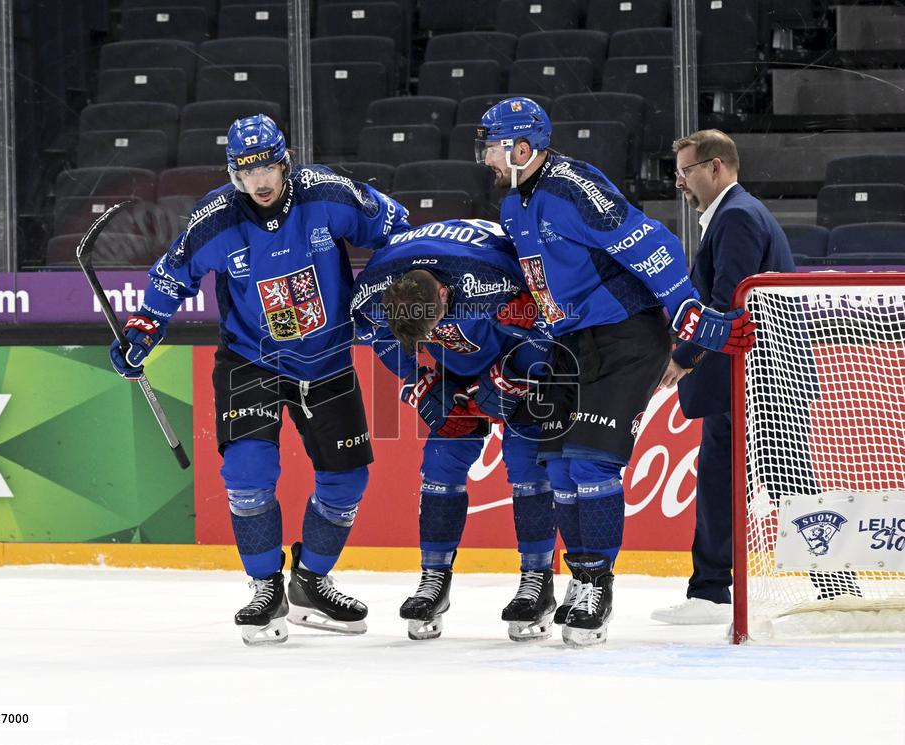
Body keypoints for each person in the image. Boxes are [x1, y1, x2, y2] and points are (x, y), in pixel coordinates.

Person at [109, 114, 409, 645]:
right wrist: (142, 328)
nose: (261, 181)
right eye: (248, 172)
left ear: (285, 161)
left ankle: (311, 584)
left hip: (329, 357)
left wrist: (387, 293)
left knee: (347, 481)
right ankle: (265, 586)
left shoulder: (329, 196)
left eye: (269, 166)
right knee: (248, 474)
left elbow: (399, 231)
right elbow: (169, 275)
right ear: (234, 174)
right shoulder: (215, 219)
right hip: (253, 360)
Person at [475, 98, 756, 647]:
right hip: (570, 343)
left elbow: (652, 242)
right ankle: (578, 578)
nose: (484, 157)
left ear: (522, 147)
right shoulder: (513, 204)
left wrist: (688, 312)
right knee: (557, 470)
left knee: (590, 467)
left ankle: (596, 587)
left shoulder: (572, 186)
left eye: (491, 145)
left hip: (626, 335)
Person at [650, 129, 857, 624]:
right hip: (752, 375)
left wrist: (683, 356)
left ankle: (816, 584)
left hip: (760, 377)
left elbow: (727, 303)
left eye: (687, 170)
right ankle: (718, 588)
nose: (680, 181)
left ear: (715, 167)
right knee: (741, 479)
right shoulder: (733, 214)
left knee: (783, 482)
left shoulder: (738, 216)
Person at [352, 219, 558, 642]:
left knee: (525, 462)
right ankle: (434, 579)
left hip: (512, 354)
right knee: (440, 463)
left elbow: (547, 330)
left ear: (445, 295)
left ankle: (538, 581)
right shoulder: (373, 289)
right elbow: (383, 339)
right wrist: (416, 382)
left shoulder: (490, 282)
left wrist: (512, 378)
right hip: (455, 370)